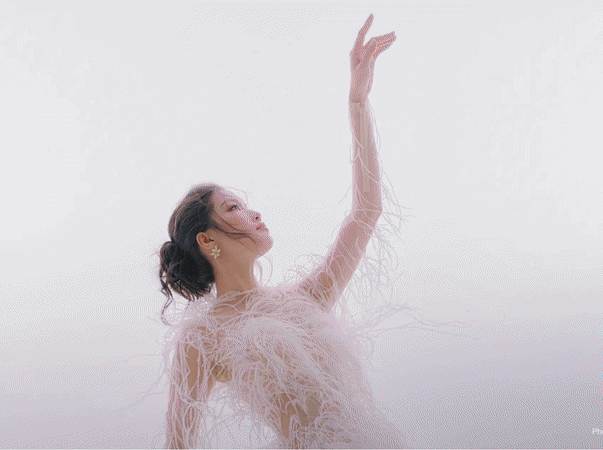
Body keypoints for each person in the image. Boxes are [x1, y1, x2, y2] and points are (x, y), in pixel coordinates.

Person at [156, 14, 417, 449]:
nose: (254, 213)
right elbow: (179, 443)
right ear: (208, 240)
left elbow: (367, 211)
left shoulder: (305, 298)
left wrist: (357, 103)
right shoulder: (201, 337)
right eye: (234, 208)